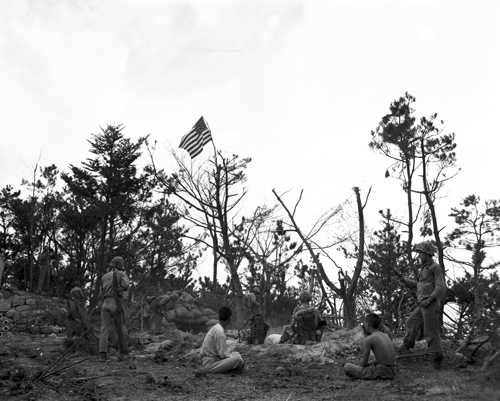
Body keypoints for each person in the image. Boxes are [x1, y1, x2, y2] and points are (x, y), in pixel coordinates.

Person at [398, 241, 445, 370]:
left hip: (430, 304)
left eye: (420, 253)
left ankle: (437, 358)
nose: (419, 255)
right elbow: (420, 285)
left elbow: (441, 288)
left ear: (427, 254)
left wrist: (429, 300)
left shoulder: (435, 267)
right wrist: (404, 280)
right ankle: (406, 346)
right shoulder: (424, 268)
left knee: (431, 332)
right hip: (423, 304)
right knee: (410, 322)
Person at [343, 313, 396, 380]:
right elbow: (383, 359)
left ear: (368, 324)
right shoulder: (386, 335)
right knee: (370, 363)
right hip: (392, 371)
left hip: (381, 372)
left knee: (347, 366)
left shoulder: (369, 339)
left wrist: (358, 367)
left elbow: (364, 362)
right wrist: (369, 363)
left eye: (364, 323)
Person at [98, 256, 129, 362]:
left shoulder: (104, 276)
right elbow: (126, 285)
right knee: (120, 328)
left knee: (104, 329)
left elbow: (100, 293)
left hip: (105, 303)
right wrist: (119, 289)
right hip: (116, 302)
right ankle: (123, 352)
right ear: (120, 264)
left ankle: (102, 354)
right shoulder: (121, 274)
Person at [199, 306, 244, 373]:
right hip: (210, 364)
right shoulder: (219, 332)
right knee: (238, 359)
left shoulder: (217, 327)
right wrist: (231, 357)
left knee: (234, 351)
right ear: (229, 318)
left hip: (210, 358)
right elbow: (223, 355)